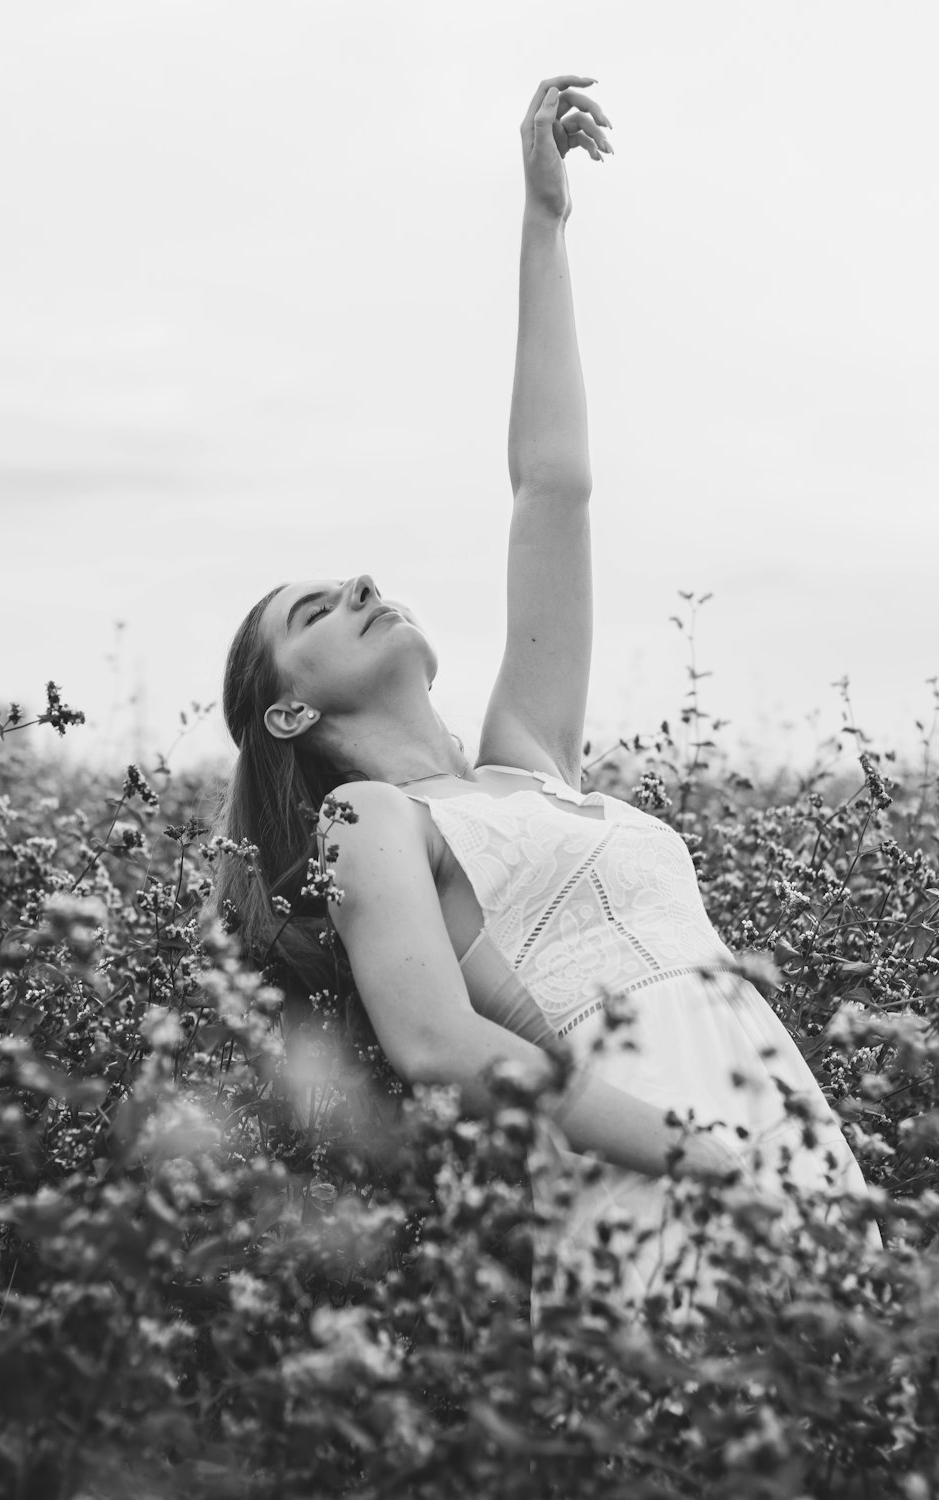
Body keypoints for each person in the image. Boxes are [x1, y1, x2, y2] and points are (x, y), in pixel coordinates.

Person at [211, 76, 877, 1308]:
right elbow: (435, 1045)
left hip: (776, 1135)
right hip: (637, 1169)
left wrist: (544, 222)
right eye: (314, 612)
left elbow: (552, 490)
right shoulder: (367, 823)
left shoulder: (524, 766)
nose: (358, 582)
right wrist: (703, 1156)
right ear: (289, 713)